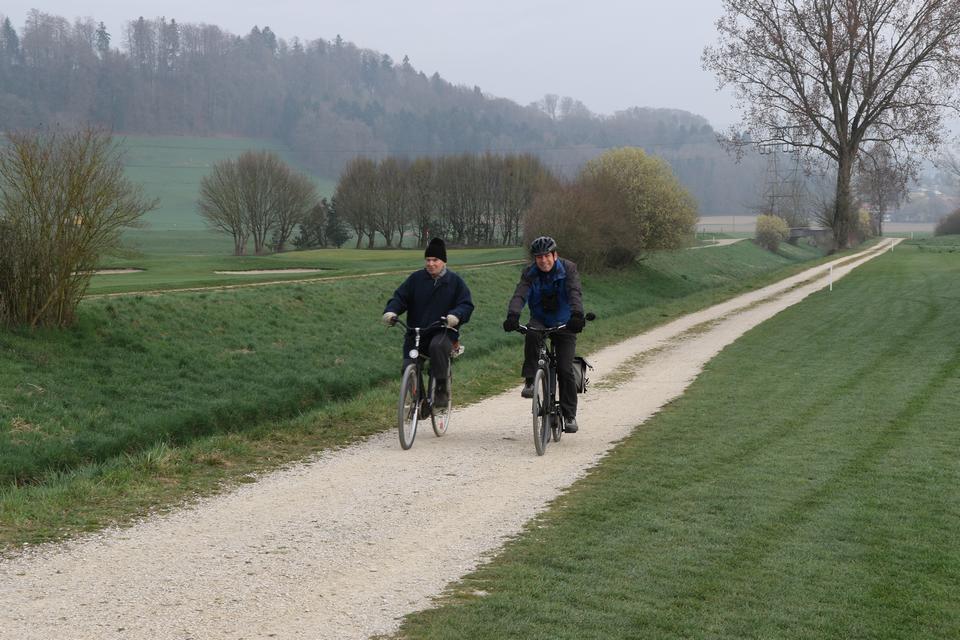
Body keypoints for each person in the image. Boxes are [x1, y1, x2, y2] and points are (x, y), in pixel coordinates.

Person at [502, 236, 585, 432]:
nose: (543, 260)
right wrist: (513, 315)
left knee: (565, 368)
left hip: (565, 322)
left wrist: (577, 315)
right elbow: (520, 295)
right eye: (539, 257)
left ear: (555, 255)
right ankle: (531, 380)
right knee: (531, 334)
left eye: (547, 256)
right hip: (540, 319)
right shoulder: (530, 273)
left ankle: (569, 415)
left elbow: (574, 292)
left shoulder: (569, 269)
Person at [383, 238, 474, 406]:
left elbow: (466, 305)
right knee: (407, 365)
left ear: (444, 261)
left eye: (435, 260)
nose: (431, 264)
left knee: (437, 347)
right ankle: (420, 402)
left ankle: (441, 389)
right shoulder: (416, 279)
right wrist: (391, 311)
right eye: (428, 260)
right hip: (417, 332)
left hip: (443, 331)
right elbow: (400, 297)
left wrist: (456, 315)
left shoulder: (455, 282)